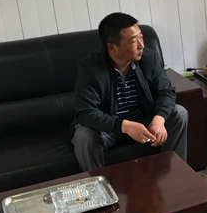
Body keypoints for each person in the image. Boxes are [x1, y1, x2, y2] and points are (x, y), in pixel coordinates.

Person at [71, 12, 188, 171]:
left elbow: (166, 92)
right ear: (112, 47)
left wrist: (159, 119)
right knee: (83, 136)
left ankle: (175, 174)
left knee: (179, 113)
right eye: (134, 41)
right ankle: (99, 184)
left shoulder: (149, 58)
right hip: (108, 128)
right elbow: (85, 112)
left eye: (141, 37)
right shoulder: (90, 68)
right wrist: (125, 126)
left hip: (142, 121)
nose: (141, 45)